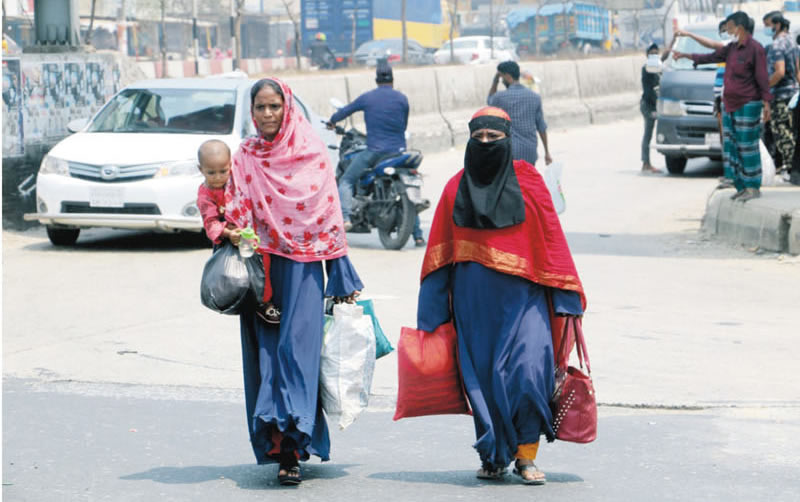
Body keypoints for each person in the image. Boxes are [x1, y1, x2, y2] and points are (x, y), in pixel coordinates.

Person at [416, 107, 586, 485]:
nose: (487, 144)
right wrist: (430, 315)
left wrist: (566, 298)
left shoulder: (530, 185)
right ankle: (493, 454)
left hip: (526, 299)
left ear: (508, 141)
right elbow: (438, 255)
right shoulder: (454, 188)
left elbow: (553, 244)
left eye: (495, 138)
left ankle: (526, 456)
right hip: (474, 303)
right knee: (485, 382)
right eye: (479, 138)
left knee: (529, 373)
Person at [224, 78, 364, 485]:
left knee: (297, 358)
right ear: (252, 112)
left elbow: (329, 217)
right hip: (260, 272)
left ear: (287, 108)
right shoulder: (245, 155)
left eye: (274, 107)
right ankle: (277, 445)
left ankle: (293, 448)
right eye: (261, 108)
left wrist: (341, 275)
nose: (268, 115)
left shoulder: (312, 153)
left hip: (303, 271)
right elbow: (231, 210)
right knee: (268, 360)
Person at [673, 12, 772, 202]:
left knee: (747, 145)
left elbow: (762, 78)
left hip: (748, 103)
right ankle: (740, 185)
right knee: (732, 145)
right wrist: (686, 55)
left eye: (730, 28)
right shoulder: (732, 49)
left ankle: (753, 186)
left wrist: (766, 103)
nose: (728, 31)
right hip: (730, 104)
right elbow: (710, 56)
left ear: (740, 28)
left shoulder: (755, 49)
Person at [328, 61, 425, 246]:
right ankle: (418, 235)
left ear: (376, 79)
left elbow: (345, 111)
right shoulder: (402, 99)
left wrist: (332, 121)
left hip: (375, 151)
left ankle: (346, 218)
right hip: (398, 151)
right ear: (393, 79)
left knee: (346, 180)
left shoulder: (368, 98)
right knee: (409, 193)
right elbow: (403, 123)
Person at [197, 140, 280, 324]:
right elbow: (210, 222)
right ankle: (262, 303)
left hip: (248, 232)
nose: (218, 177)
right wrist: (228, 233)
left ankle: (263, 299)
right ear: (200, 169)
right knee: (242, 272)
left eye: (223, 171)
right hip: (229, 238)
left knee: (261, 264)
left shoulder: (238, 179)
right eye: (211, 172)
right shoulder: (206, 194)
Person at [676, 21, 733, 186]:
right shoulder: (730, 49)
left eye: (727, 30)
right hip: (720, 98)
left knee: (729, 138)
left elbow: (711, 46)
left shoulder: (732, 46)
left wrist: (689, 35)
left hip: (728, 99)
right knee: (725, 138)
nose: (725, 33)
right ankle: (729, 172)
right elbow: (706, 57)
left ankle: (732, 174)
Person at [488, 61, 552, 167]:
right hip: (530, 153)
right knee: (526, 182)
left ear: (508, 77)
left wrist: (495, 81)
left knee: (511, 183)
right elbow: (541, 127)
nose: (502, 81)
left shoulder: (500, 98)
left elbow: (490, 100)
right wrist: (547, 152)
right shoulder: (534, 97)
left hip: (509, 153)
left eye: (502, 78)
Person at [763, 13, 797, 178]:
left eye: (767, 25)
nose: (766, 29)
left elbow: (779, 72)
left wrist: (764, 87)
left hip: (781, 96)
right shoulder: (792, 42)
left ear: (776, 25)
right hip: (792, 94)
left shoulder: (777, 45)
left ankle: (792, 169)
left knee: (782, 133)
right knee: (791, 132)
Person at [640, 40, 675, 174]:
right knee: (648, 134)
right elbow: (648, 92)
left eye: (656, 51)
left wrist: (673, 42)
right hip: (649, 106)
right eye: (651, 52)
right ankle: (646, 163)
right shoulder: (647, 68)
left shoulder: (657, 66)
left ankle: (647, 162)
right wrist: (655, 107)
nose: (654, 54)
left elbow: (665, 56)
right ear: (647, 55)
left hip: (655, 105)